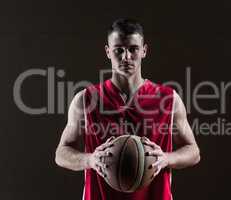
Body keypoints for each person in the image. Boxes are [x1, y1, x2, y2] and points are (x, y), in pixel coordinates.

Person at [55, 18, 201, 200]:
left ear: (144, 51)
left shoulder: (169, 99)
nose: (126, 57)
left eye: (133, 49)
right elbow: (61, 153)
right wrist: (90, 160)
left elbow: (194, 152)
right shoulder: (85, 100)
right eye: (119, 50)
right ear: (108, 52)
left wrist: (166, 159)